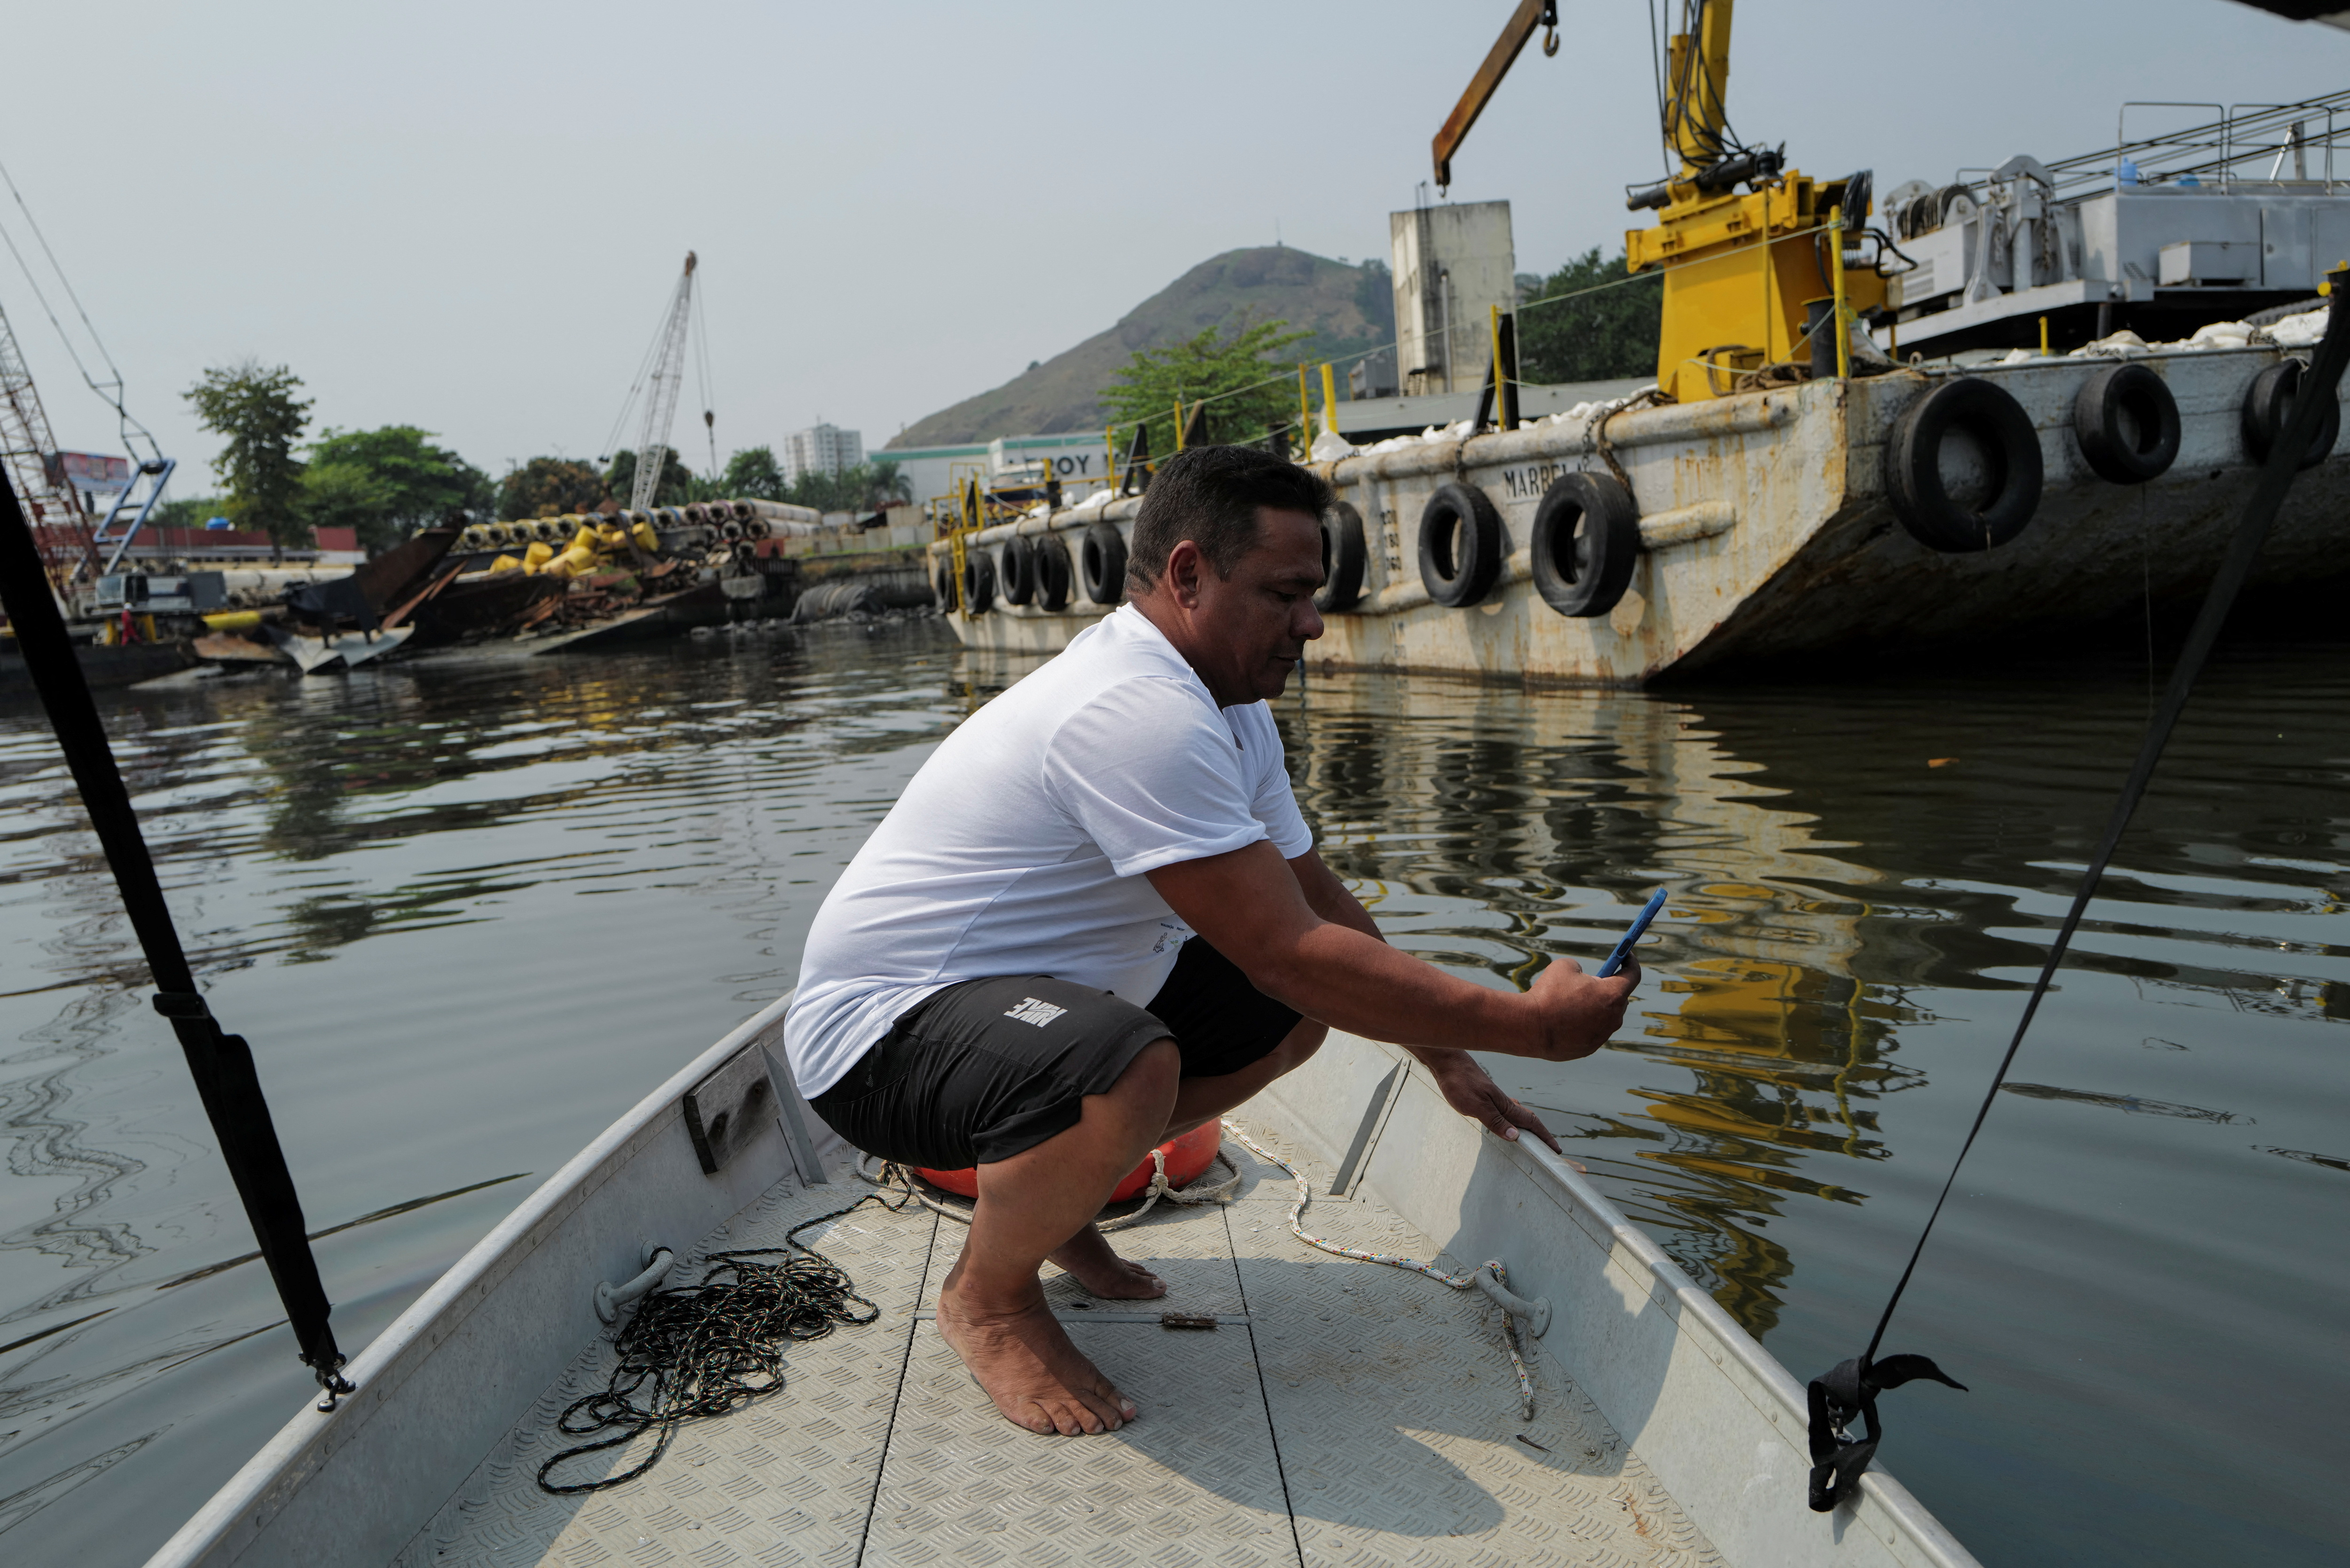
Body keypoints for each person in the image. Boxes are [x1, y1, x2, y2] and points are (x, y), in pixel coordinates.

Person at [784, 446, 1638, 1437]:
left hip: (1017, 1005)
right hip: (880, 1041)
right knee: (1129, 1064)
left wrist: (1444, 1052)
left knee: (1285, 1018)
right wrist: (1533, 1028)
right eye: (1284, 593)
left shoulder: (1228, 710)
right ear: (1188, 576)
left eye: (1313, 594)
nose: (1312, 623)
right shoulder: (1133, 709)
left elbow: (1313, 913)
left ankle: (1057, 1209)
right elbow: (1286, 946)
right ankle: (988, 1296)